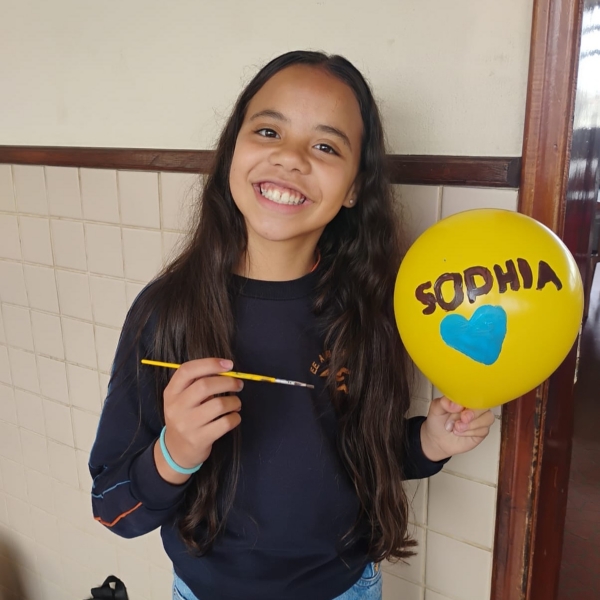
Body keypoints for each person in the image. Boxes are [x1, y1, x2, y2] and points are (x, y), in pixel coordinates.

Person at [89, 50, 495, 600]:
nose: (291, 158)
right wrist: (174, 452)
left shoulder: (369, 309)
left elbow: (363, 454)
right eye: (268, 131)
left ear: (354, 188)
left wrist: (429, 440)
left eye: (326, 146)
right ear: (233, 151)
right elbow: (113, 507)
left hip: (348, 589)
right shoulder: (166, 312)